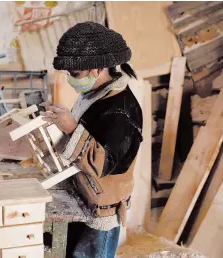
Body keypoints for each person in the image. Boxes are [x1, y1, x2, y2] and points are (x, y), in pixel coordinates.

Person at [40, 22, 143, 257]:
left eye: (75, 74)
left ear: (97, 69)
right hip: (83, 194)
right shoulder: (94, 94)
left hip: (102, 206)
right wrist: (61, 121)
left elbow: (105, 164)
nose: (71, 79)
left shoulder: (121, 110)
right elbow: (87, 131)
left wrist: (71, 127)